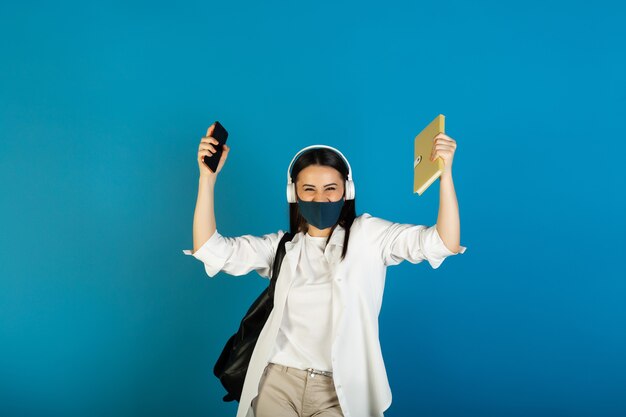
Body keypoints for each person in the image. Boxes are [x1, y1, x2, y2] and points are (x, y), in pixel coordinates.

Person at [183, 123, 467, 417]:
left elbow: (443, 242)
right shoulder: (281, 247)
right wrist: (207, 180)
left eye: (331, 189)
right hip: (277, 382)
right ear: (294, 194)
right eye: (309, 189)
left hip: (341, 390)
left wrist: (446, 175)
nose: (320, 198)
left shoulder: (370, 236)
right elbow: (210, 249)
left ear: (348, 190)